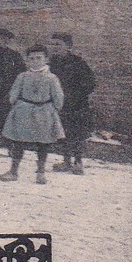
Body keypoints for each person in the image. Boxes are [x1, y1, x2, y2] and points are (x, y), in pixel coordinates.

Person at [0, 46, 65, 185]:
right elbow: (13, 94)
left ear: (46, 60)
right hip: (24, 111)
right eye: (31, 59)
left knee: (43, 143)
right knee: (19, 142)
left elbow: (58, 98)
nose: (35, 61)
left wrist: (52, 110)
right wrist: (16, 106)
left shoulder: (51, 78)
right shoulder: (22, 76)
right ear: (27, 60)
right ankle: (13, 170)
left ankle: (41, 172)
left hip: (44, 111)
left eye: (39, 58)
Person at [49, 34, 97, 175]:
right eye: (53, 45)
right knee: (62, 133)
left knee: (76, 133)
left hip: (76, 105)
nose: (55, 48)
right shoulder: (53, 63)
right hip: (60, 105)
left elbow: (90, 84)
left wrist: (75, 94)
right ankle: (66, 161)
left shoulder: (78, 63)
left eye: (58, 44)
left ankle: (78, 162)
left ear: (68, 46)